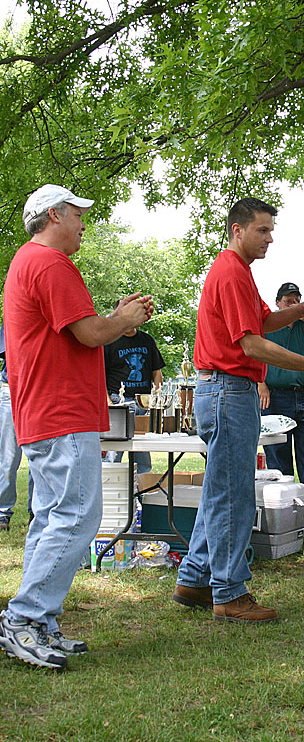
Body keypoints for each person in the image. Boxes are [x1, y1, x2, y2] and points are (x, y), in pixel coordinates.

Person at [173, 197, 304, 623]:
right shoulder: (231, 272)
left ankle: (194, 579)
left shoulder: (239, 273)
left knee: (219, 489)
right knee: (234, 496)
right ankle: (229, 593)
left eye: (271, 230)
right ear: (237, 229)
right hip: (229, 392)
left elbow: (260, 322)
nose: (270, 238)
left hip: (225, 392)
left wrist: (298, 312)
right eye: (263, 230)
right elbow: (250, 344)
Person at [0, 184, 153, 669]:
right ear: (52, 216)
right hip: (60, 413)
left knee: (50, 518)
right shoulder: (49, 263)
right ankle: (24, 619)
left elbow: (76, 332)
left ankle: (40, 621)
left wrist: (114, 318)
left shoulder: (29, 262)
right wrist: (122, 319)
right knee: (80, 516)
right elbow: (89, 334)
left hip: (44, 414)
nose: (84, 223)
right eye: (77, 213)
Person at [258, 282, 304, 496]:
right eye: (288, 301)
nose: (293, 304)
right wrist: (260, 384)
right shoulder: (269, 326)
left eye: (296, 300)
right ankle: (284, 503)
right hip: (275, 396)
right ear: (278, 303)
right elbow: (253, 353)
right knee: (277, 455)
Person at [104, 319, 165, 474]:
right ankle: (112, 491)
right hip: (119, 402)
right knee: (114, 453)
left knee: (142, 452)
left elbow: (156, 372)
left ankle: (140, 493)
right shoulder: (109, 341)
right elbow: (100, 375)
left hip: (143, 403)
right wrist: (108, 402)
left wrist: (157, 399)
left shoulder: (147, 340)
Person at [0, 324, 31, 530]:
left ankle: (38, 513)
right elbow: (10, 350)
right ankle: (2, 513)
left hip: (41, 393)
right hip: (12, 391)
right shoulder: (14, 316)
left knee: (41, 460)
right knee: (8, 458)